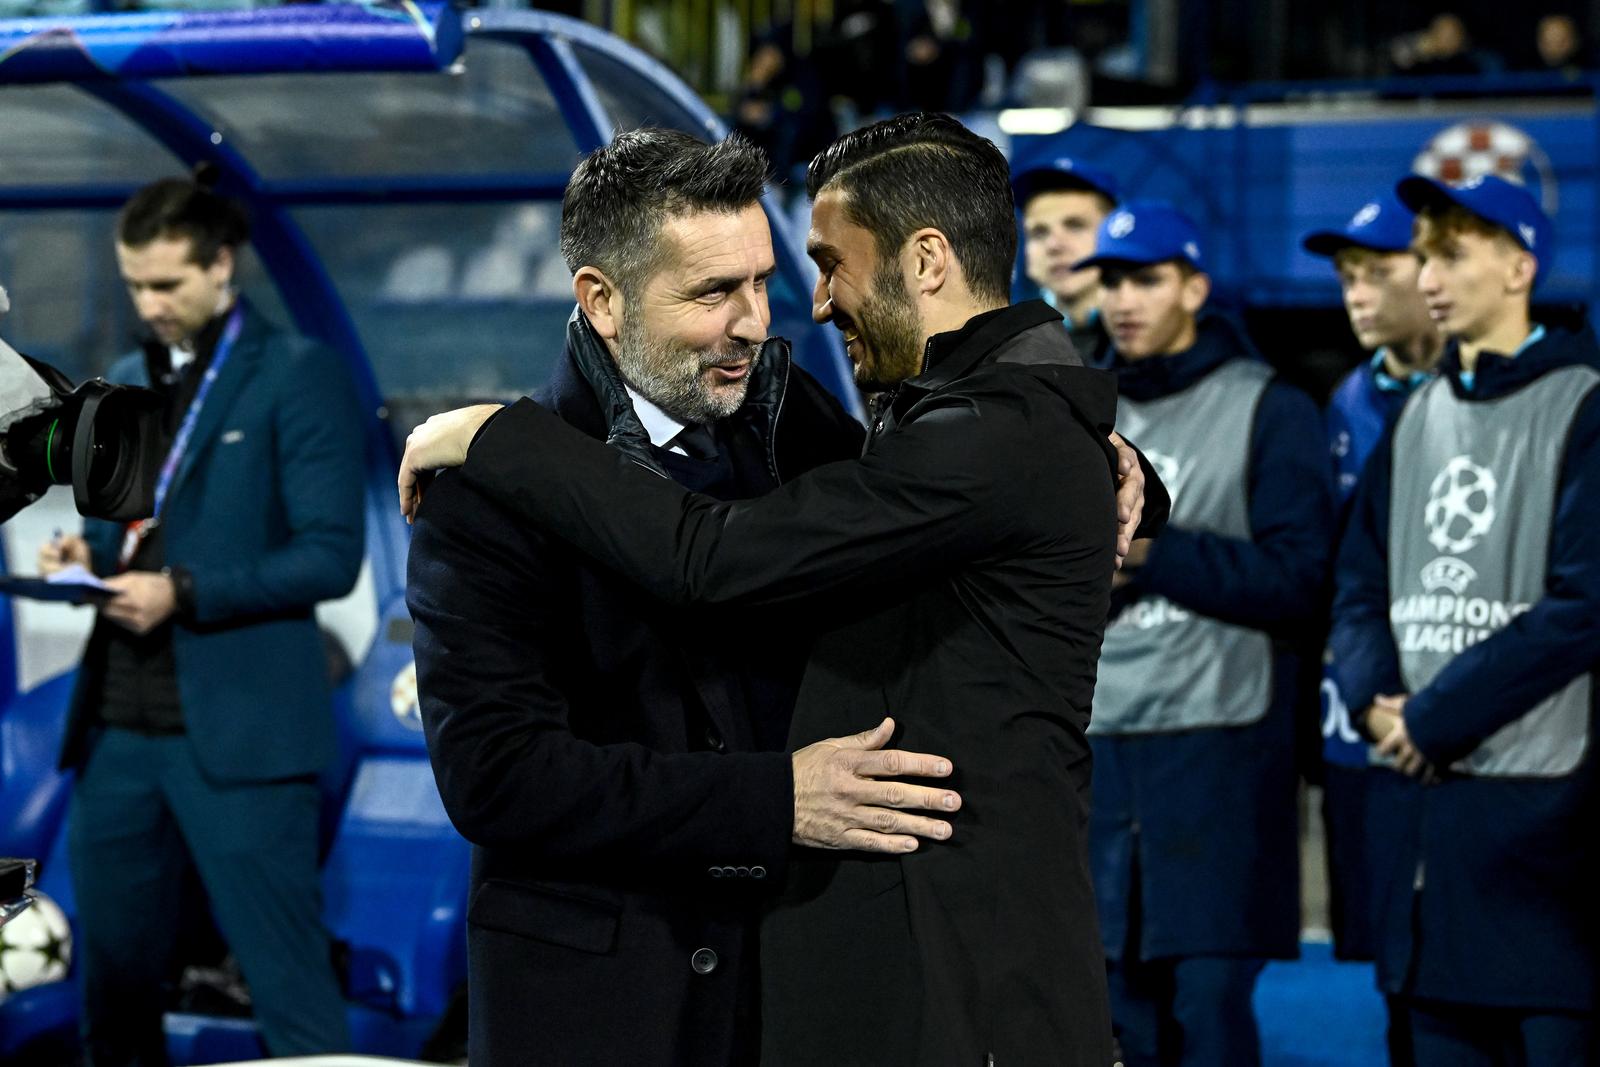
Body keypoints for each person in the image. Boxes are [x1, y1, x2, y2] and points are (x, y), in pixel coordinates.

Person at [401, 112, 1168, 1066]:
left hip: (792, 1004)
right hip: (602, 1011)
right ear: (601, 298)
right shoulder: (484, 494)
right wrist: (774, 799)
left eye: (765, 280)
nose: (760, 319)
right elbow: (501, 778)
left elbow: (960, 486)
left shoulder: (791, 423)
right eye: (715, 291)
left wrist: (1101, 458)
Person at [36, 176, 364, 1062]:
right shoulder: (133, 380)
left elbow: (332, 555)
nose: (151, 305)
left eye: (168, 284)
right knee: (112, 1000)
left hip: (243, 741)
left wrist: (182, 591)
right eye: (135, 284)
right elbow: (127, 537)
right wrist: (88, 561)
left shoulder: (298, 375)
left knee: (292, 998)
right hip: (115, 735)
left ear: (223, 264)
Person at [1331, 173, 1599, 1065]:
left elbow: (1582, 604)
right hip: (1422, 827)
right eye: (1425, 257)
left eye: (1452, 254)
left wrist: (1436, 720)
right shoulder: (1416, 416)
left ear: (1521, 265)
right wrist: (1372, 698)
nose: (1429, 276)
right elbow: (1358, 582)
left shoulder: (1585, 404)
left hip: (1545, 835)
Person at [1079, 200, 1335, 1067]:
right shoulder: (1078, 407)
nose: (1125, 299)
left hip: (1221, 752)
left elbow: (1302, 581)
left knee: (1210, 1009)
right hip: (1102, 749)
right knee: (1121, 1015)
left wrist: (1150, 552)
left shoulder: (1270, 406)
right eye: (1111, 279)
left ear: (1194, 284)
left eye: (1147, 278)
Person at [1302, 190, 1441, 985]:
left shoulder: (1488, 392)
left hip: (1469, 710)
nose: (1357, 291)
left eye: (1377, 271)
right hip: (1365, 716)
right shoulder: (1345, 403)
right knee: (1384, 956)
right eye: (1347, 275)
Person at [1011, 154, 1119, 364]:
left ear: (1114, 238)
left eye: (1075, 225)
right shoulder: (1005, 345)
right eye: (1039, 232)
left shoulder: (1156, 339)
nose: (1054, 245)